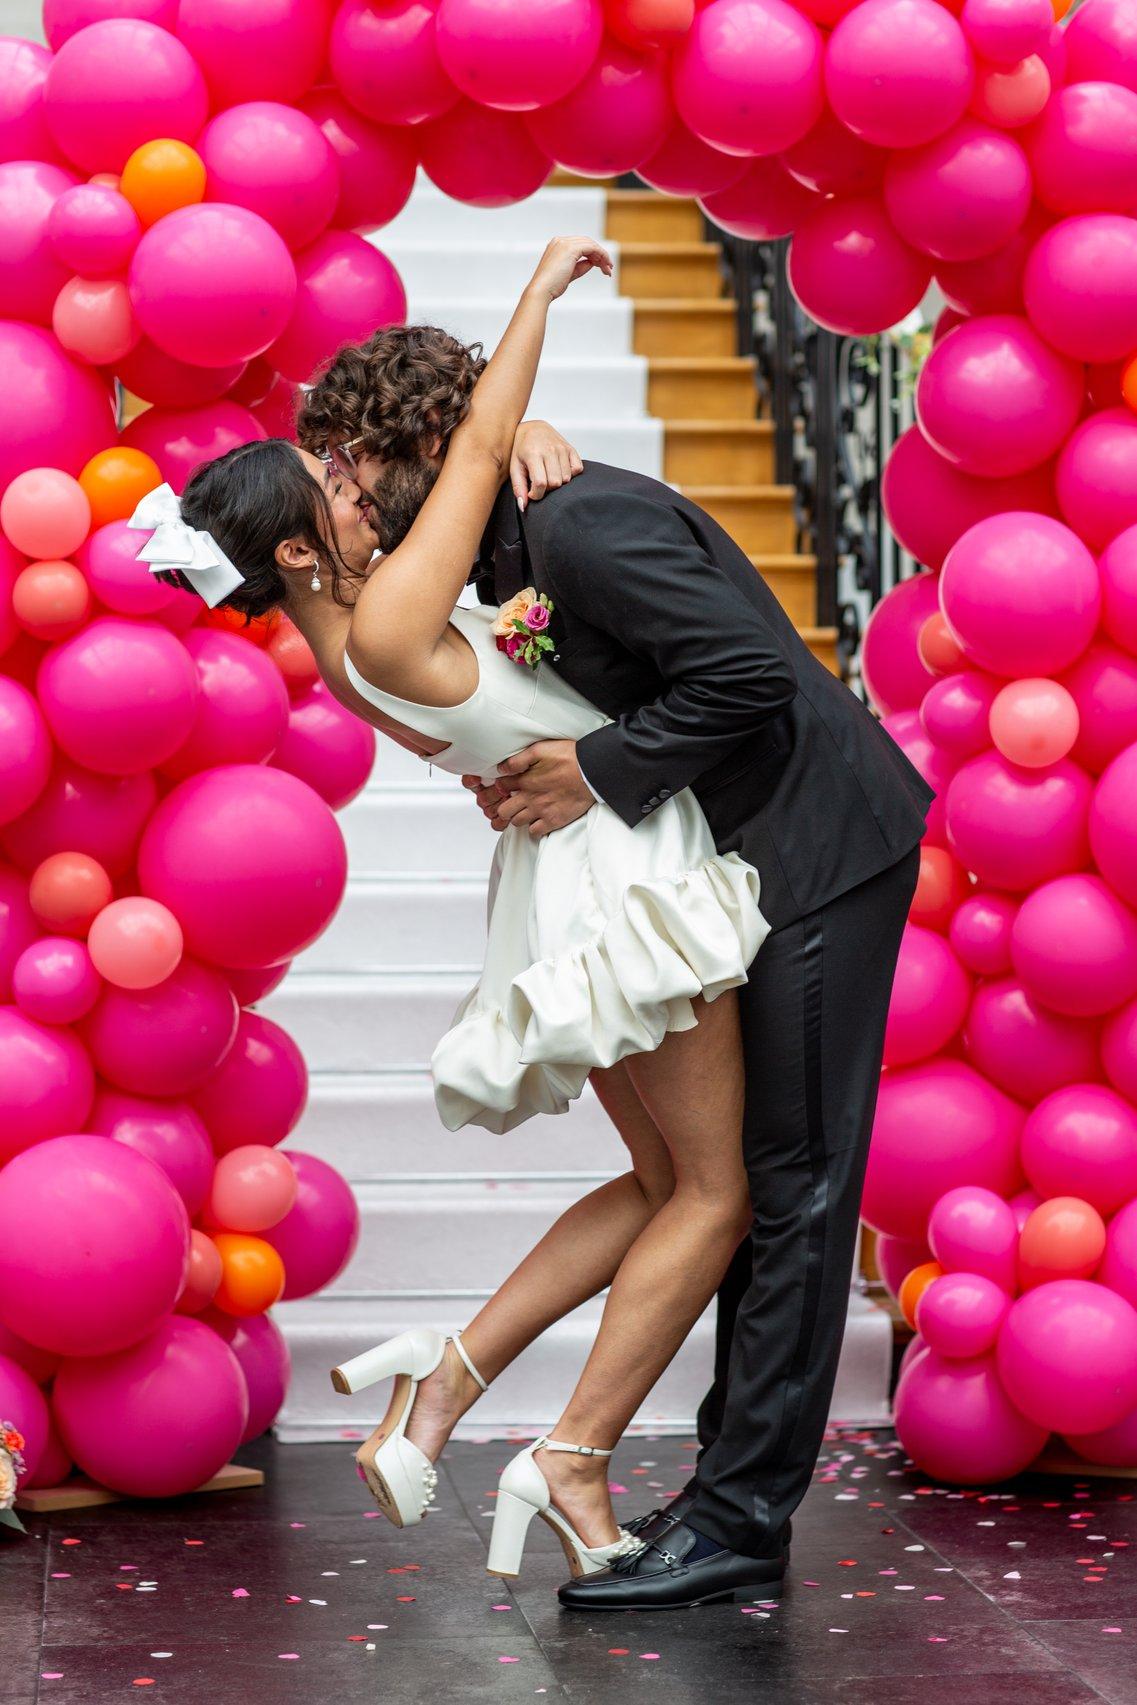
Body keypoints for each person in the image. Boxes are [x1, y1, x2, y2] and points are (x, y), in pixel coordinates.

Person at [132, 237, 783, 1599]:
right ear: (302, 545)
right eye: (335, 489)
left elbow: (488, 481)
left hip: (574, 881)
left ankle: (446, 1374)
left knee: (666, 1185)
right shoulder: (380, 628)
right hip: (617, 874)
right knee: (718, 1192)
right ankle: (569, 1456)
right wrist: (537, 299)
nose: (362, 492)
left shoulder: (343, 638)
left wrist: (528, 424)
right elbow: (476, 449)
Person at [293, 307, 935, 1611]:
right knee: (741, 1183)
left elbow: (749, 676)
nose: (353, 502)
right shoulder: (516, 545)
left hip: (818, 847)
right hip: (735, 857)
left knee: (794, 1188)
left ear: (423, 440)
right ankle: (716, 1488)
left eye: (355, 473)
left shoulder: (576, 526)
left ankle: (741, 1517)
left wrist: (592, 768)